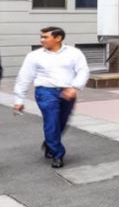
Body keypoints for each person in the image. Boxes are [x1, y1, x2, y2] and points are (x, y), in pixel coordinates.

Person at [12, 27, 90, 169]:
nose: (42, 40)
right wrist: (19, 100)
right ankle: (57, 154)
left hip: (67, 91)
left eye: (45, 37)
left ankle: (50, 143)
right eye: (41, 37)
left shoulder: (74, 53)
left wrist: (74, 87)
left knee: (62, 122)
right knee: (51, 121)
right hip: (45, 92)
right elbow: (24, 77)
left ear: (58, 38)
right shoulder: (34, 56)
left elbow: (83, 71)